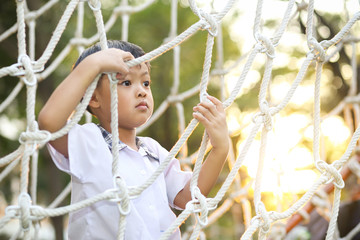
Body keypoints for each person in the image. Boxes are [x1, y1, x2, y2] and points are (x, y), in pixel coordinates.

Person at [38, 40, 229, 240]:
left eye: (146, 83)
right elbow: (50, 122)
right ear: (93, 98)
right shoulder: (89, 142)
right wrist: (93, 65)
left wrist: (220, 149)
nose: (142, 91)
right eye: (126, 83)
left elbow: (188, 196)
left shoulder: (153, 151)